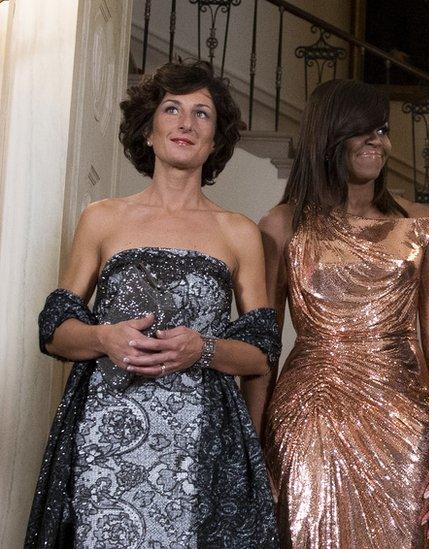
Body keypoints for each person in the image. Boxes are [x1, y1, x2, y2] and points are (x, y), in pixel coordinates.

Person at [26, 61, 279, 548]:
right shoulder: (102, 219)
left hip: (203, 446)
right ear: (148, 129)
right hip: (104, 432)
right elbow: (54, 328)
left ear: (215, 138)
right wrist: (103, 336)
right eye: (172, 109)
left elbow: (261, 353)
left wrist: (201, 349)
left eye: (201, 113)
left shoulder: (239, 232)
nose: (186, 123)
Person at [250, 79, 429, 547]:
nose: (379, 142)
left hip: (406, 420)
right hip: (309, 419)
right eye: (362, 130)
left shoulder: (423, 225)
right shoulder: (282, 226)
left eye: (382, 130)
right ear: (328, 135)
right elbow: (261, 347)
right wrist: (250, 448)